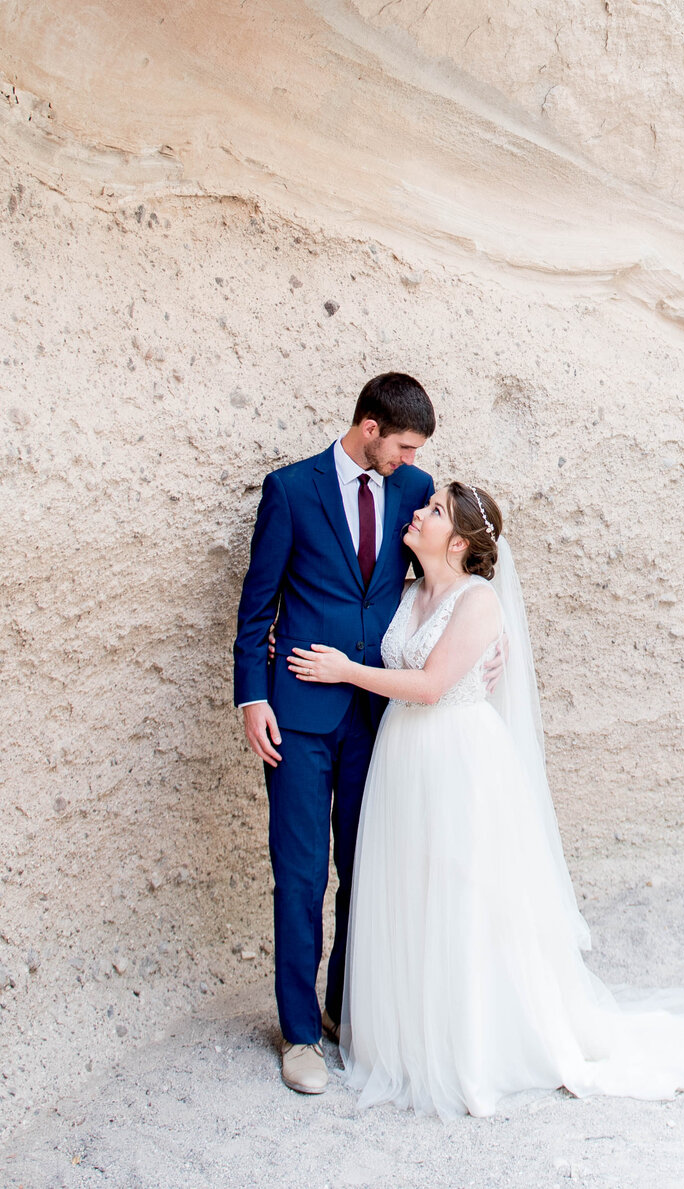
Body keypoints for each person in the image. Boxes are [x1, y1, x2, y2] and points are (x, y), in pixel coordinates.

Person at [286, 480, 684, 1116]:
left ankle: (473, 1043)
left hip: (458, 760)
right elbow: (370, 631)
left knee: (463, 894)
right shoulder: (406, 593)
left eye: (432, 512)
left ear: (457, 541)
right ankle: (407, 1032)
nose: (418, 513)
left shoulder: (478, 601)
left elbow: (430, 685)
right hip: (403, 759)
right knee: (410, 890)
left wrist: (345, 671)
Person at [233, 373, 437, 1096]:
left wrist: (480, 632)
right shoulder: (290, 490)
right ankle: (297, 1032)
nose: (412, 461)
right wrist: (251, 696)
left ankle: (342, 1008)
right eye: (404, 445)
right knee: (300, 873)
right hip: (297, 714)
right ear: (371, 426)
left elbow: (444, 573)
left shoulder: (413, 490)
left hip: (376, 715)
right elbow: (256, 604)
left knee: (365, 867)